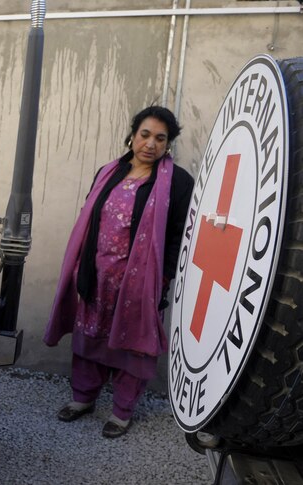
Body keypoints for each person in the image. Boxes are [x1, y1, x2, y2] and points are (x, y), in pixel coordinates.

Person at [44, 106, 194, 438]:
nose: (150, 144)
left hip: (139, 282)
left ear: (168, 145)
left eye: (160, 138)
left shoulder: (177, 182)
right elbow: (90, 218)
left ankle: (122, 412)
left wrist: (164, 278)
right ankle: (83, 399)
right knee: (89, 338)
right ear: (132, 135)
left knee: (134, 345)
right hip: (97, 275)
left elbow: (179, 235)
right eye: (145, 134)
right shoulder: (108, 172)